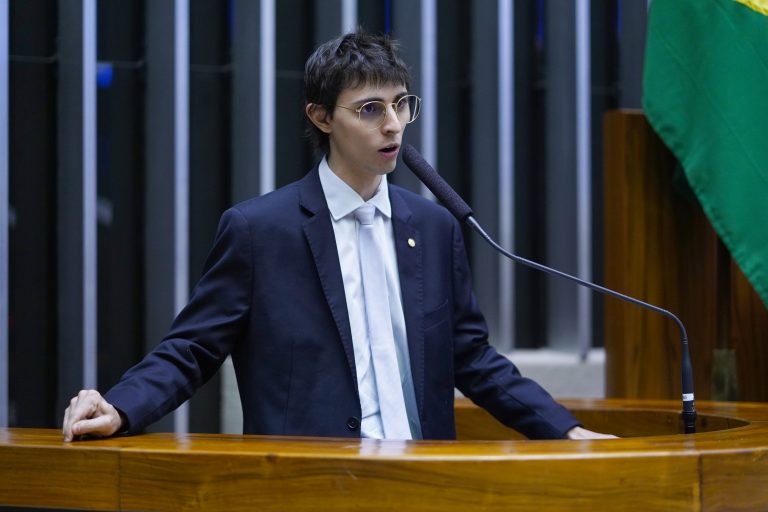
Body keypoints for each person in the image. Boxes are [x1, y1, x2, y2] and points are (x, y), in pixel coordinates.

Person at [62, 30, 613, 442]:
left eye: (401, 105)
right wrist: (122, 407)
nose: (393, 125)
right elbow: (193, 347)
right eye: (370, 109)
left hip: (428, 478)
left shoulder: (434, 226)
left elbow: (473, 358)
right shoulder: (260, 230)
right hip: (310, 482)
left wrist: (564, 430)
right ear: (322, 117)